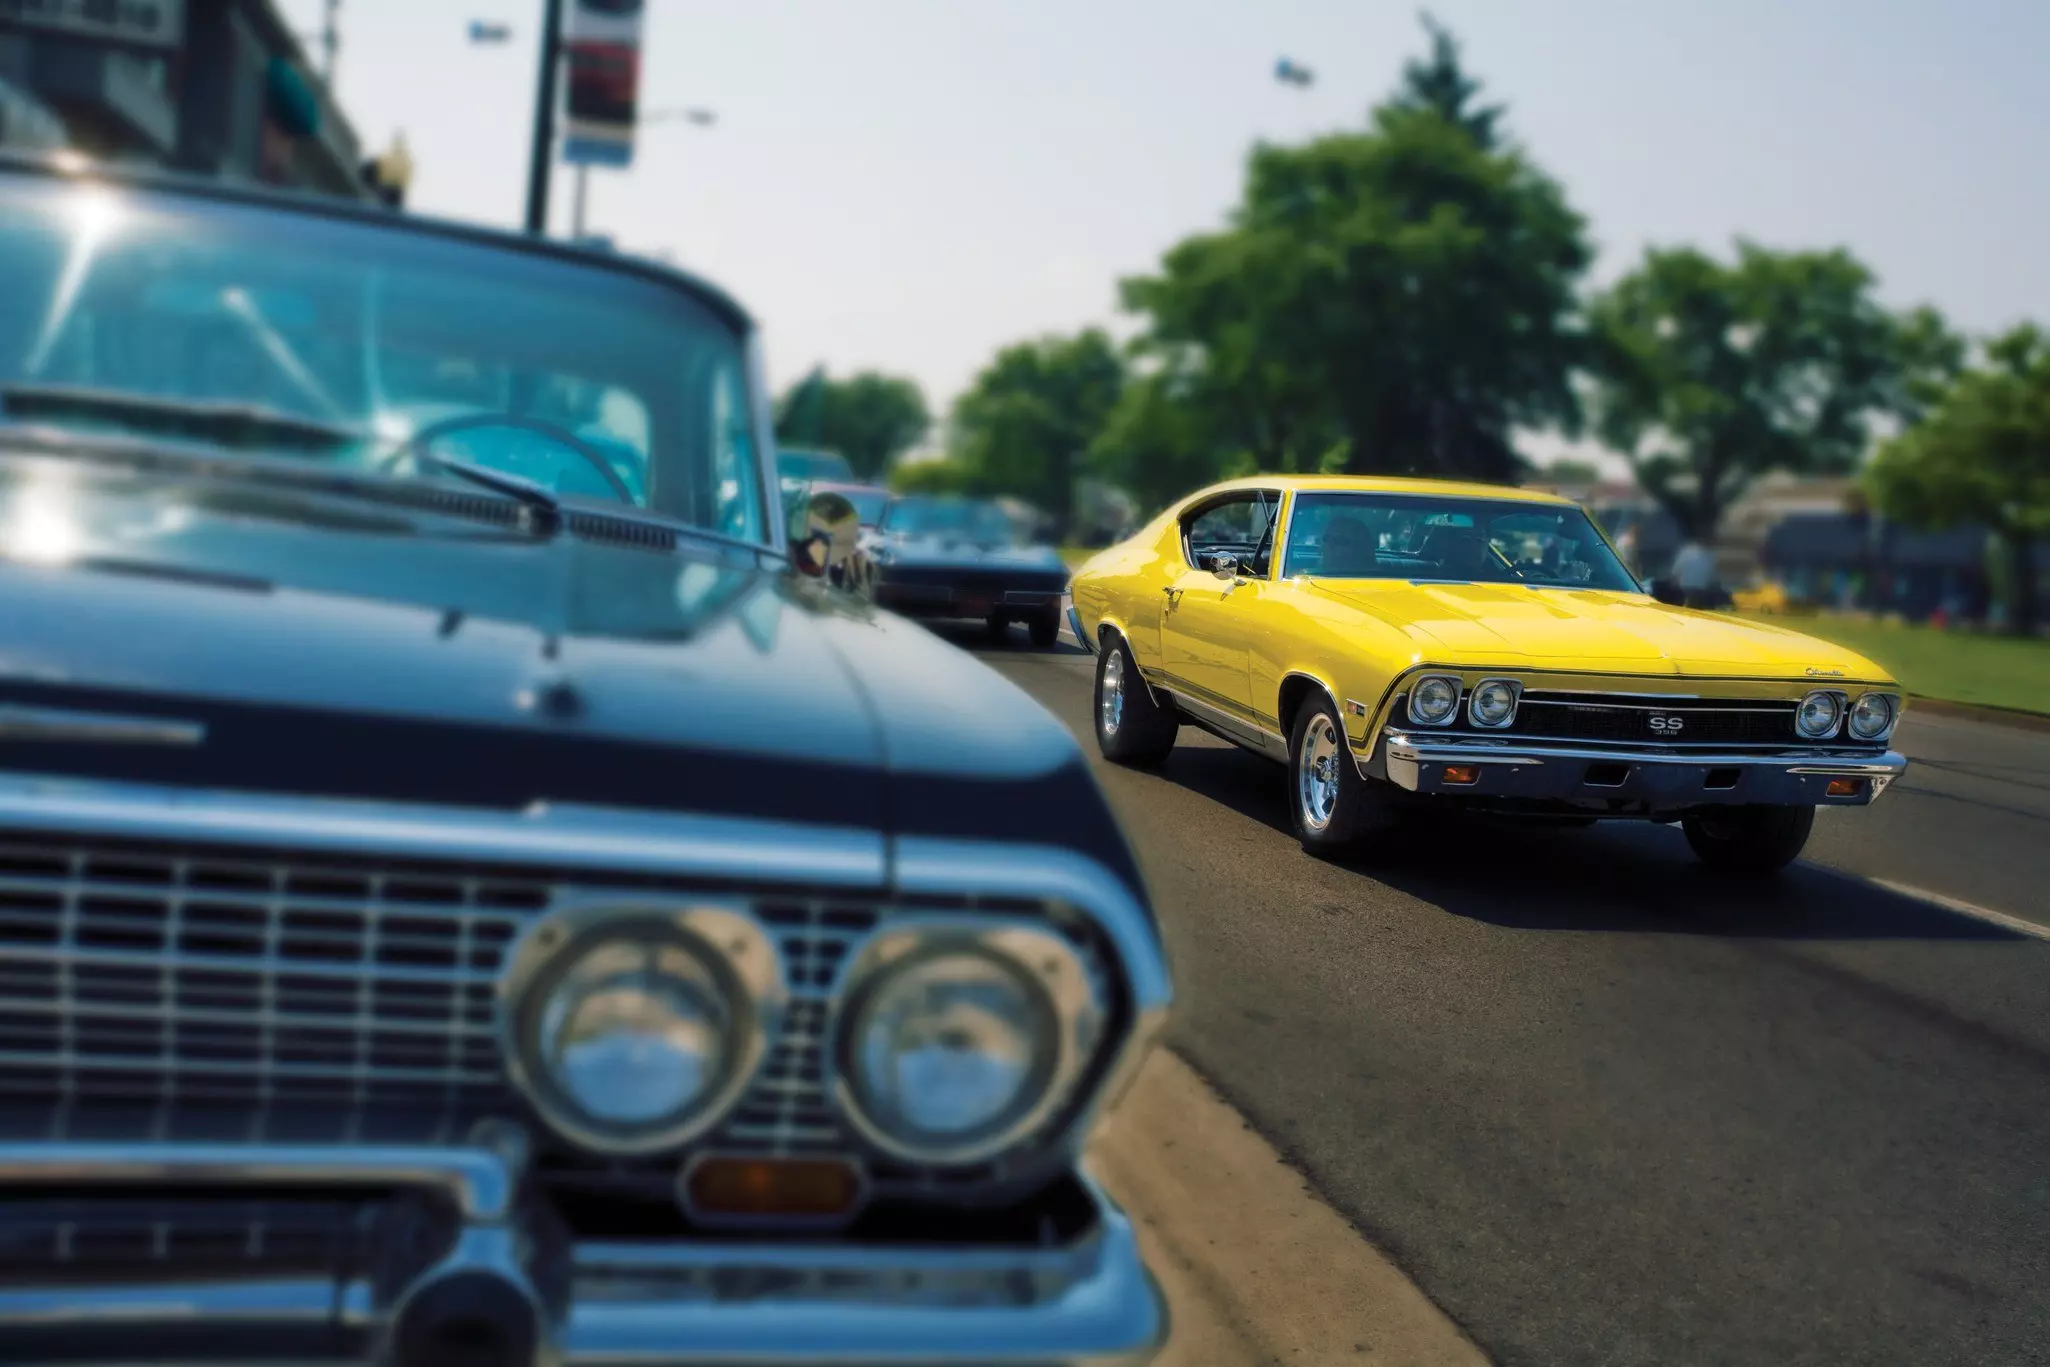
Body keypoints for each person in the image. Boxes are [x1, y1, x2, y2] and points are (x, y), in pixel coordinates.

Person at [1672, 538, 1719, 608]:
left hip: (1688, 584)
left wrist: (1675, 578)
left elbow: (1677, 568)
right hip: (1700, 585)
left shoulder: (1687, 552)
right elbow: (1711, 572)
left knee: (1690, 603)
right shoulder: (1709, 554)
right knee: (1696, 603)